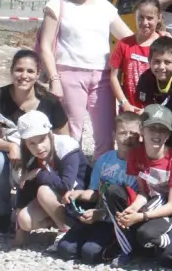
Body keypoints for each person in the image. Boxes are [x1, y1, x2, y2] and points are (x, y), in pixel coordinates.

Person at [40, 0, 134, 154]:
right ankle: (73, 172)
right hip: (69, 75)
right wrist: (54, 79)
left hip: (103, 78)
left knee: (106, 135)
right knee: (72, 134)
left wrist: (157, 37)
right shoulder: (57, 5)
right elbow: (45, 46)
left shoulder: (105, 7)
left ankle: (101, 173)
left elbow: (129, 38)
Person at [0, 49, 69, 234]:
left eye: (30, 71)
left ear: (38, 74)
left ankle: (55, 216)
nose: (24, 75)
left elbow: (65, 140)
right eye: (19, 70)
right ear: (11, 71)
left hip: (42, 160)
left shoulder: (50, 102)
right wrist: (12, 145)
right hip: (12, 160)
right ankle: (3, 216)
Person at [57, 112, 144, 264]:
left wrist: (101, 215)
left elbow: (134, 204)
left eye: (133, 133)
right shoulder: (105, 159)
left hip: (119, 221)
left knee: (90, 254)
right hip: (97, 213)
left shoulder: (142, 165)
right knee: (65, 248)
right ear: (114, 135)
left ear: (141, 136)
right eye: (123, 133)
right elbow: (95, 192)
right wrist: (78, 194)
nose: (128, 137)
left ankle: (121, 247)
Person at [107, 103, 172, 265]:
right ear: (142, 130)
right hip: (149, 202)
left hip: (167, 210)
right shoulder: (136, 154)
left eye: (162, 130)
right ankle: (127, 248)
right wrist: (132, 208)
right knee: (112, 191)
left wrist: (141, 217)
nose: (157, 134)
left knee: (146, 236)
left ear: (168, 134)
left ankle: (163, 239)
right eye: (152, 128)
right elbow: (143, 192)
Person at [13, 110, 86, 249]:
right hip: (56, 198)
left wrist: (39, 173)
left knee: (43, 192)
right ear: (25, 143)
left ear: (50, 134)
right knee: (24, 219)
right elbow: (23, 187)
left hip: (78, 195)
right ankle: (60, 222)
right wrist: (20, 231)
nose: (39, 147)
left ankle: (66, 230)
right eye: (32, 143)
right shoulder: (29, 156)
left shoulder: (67, 146)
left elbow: (66, 185)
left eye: (42, 140)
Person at [110, 0, 165, 114]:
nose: (145, 22)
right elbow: (113, 76)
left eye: (150, 18)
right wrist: (124, 103)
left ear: (159, 18)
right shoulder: (124, 44)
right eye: (141, 17)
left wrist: (151, 108)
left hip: (156, 112)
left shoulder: (164, 44)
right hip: (129, 110)